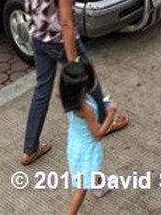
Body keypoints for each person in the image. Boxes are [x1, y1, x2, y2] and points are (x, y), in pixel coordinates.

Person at [21, 0, 128, 167]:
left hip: (39, 39)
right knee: (89, 79)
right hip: (61, 40)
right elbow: (67, 23)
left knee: (41, 90)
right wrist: (72, 63)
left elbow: (33, 9)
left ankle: (30, 148)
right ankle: (104, 120)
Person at [60, 59, 117, 213]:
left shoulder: (67, 97)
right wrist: (110, 115)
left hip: (74, 143)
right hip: (86, 149)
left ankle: (100, 186)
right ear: (84, 87)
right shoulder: (87, 109)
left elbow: (58, 92)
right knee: (82, 187)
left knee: (91, 171)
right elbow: (97, 135)